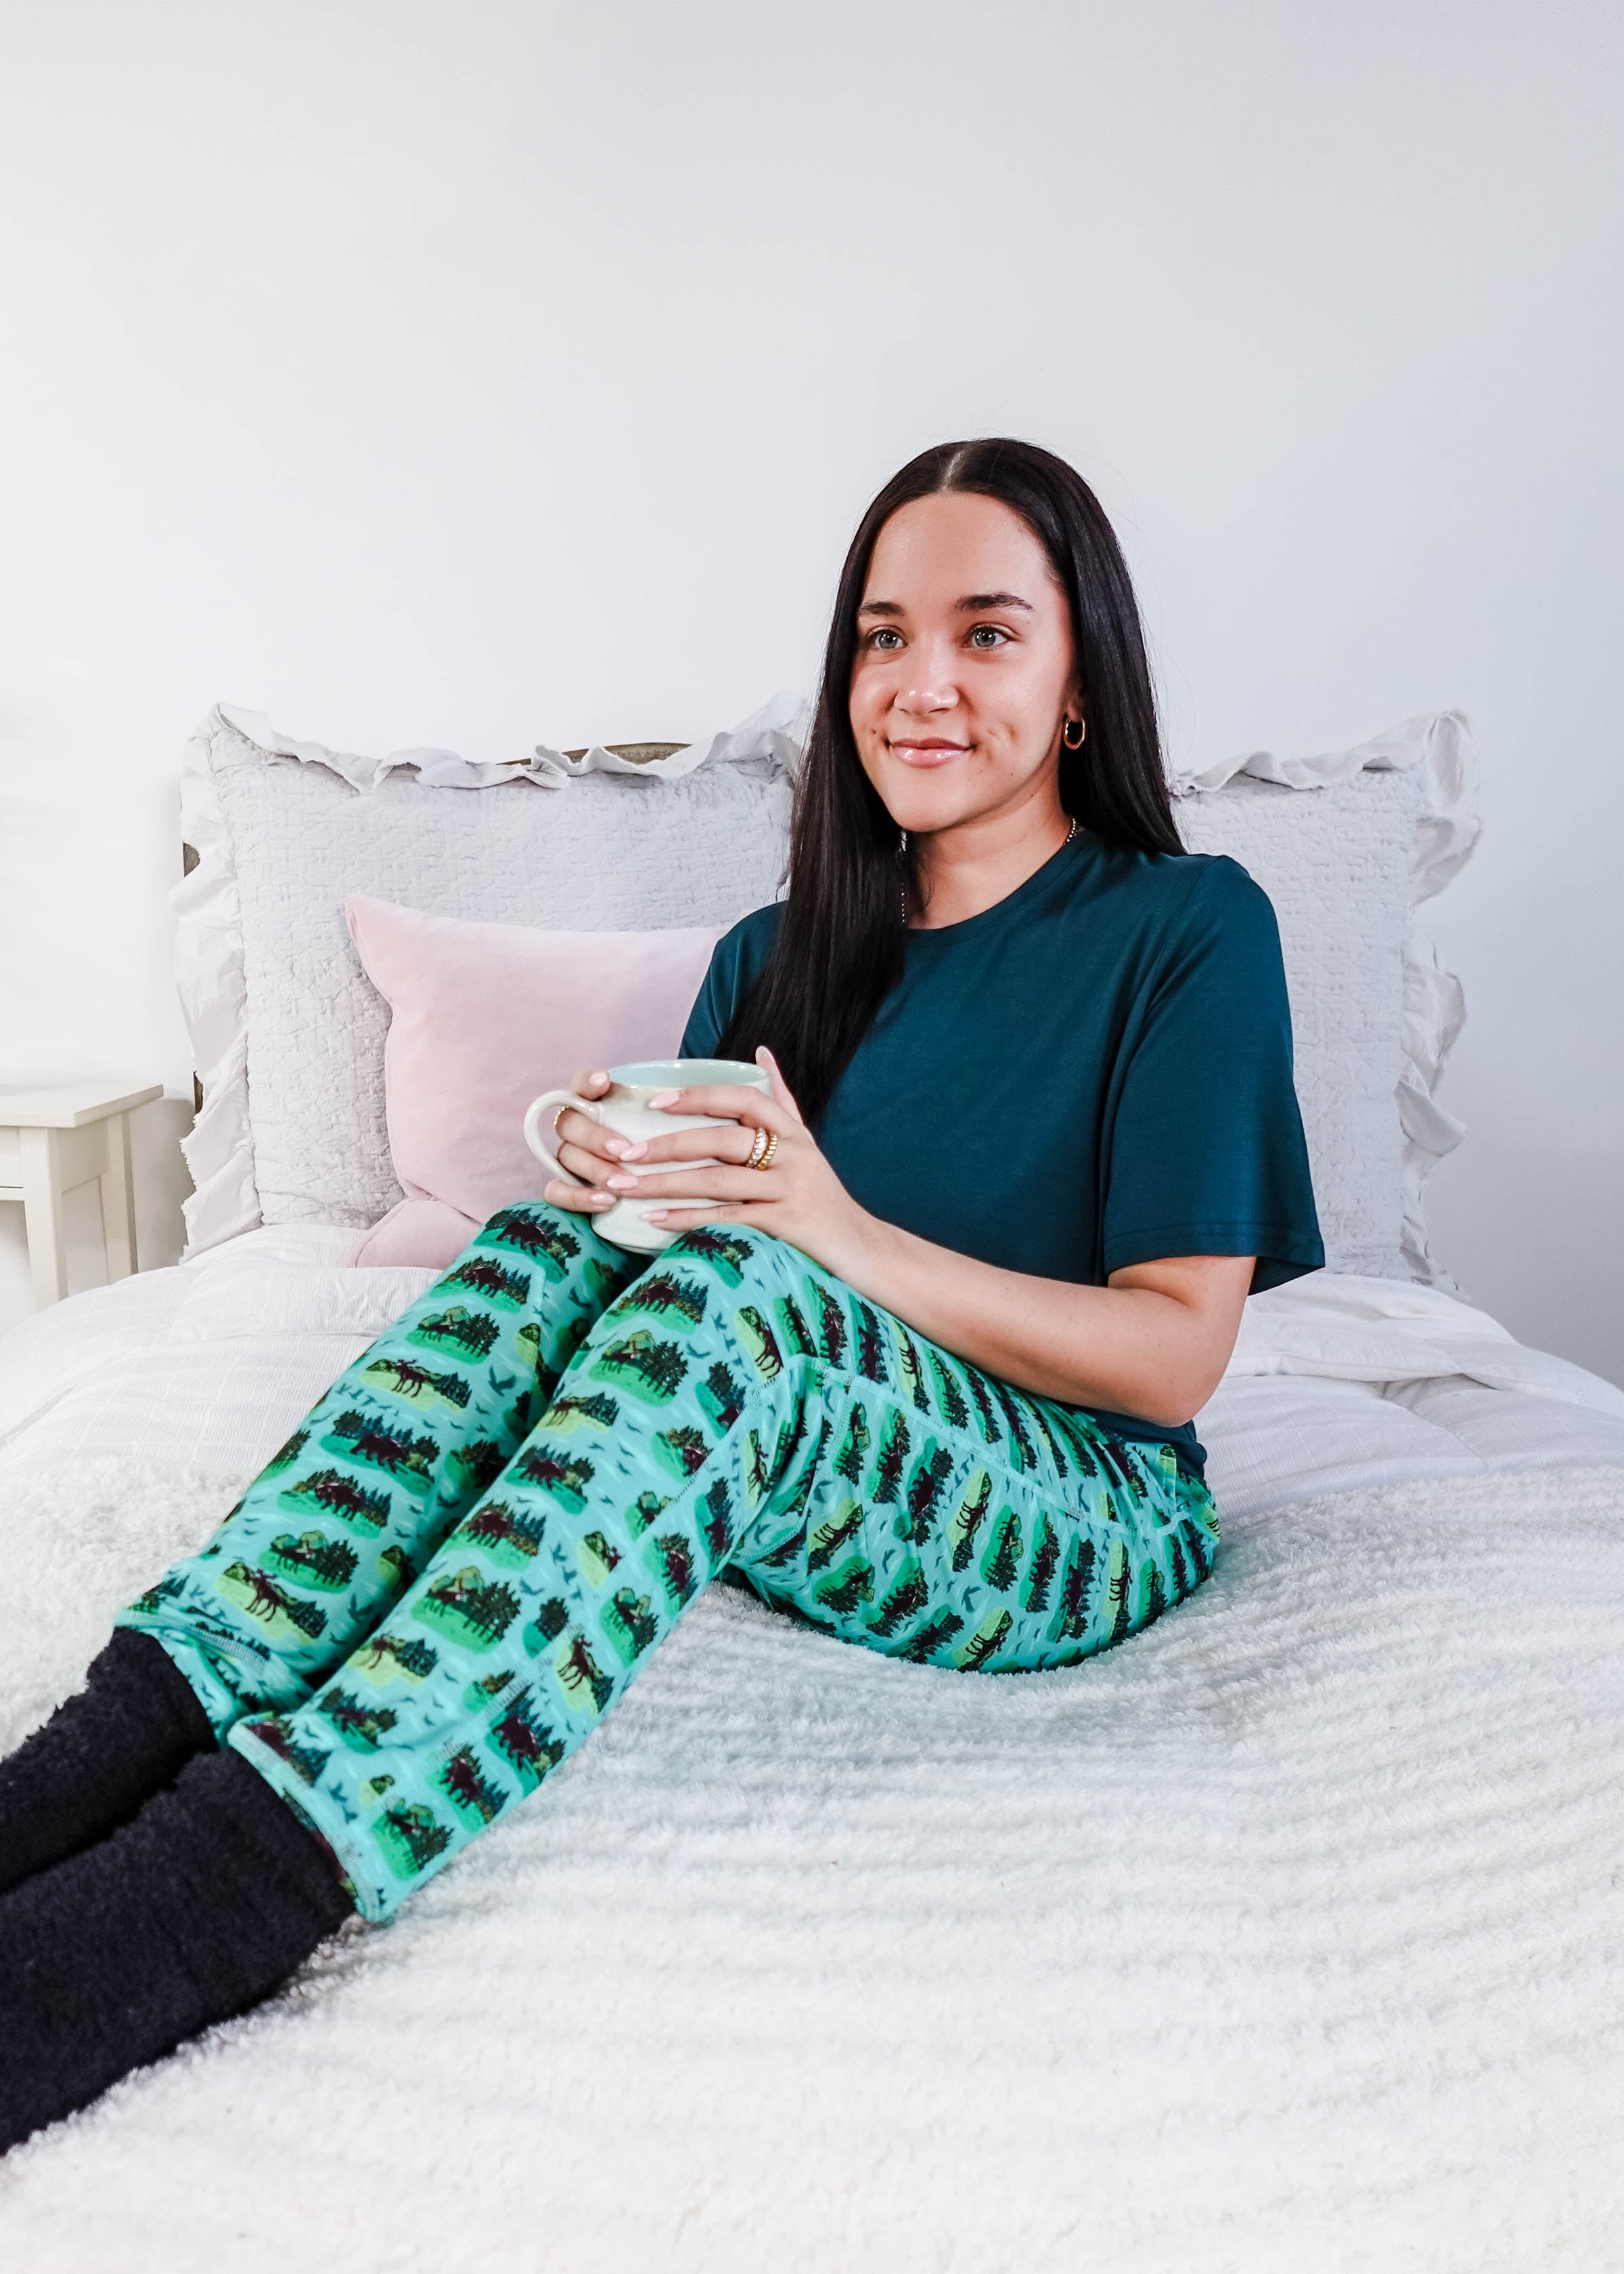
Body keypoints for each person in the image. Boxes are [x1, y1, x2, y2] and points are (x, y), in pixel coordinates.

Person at [0, 437, 1323, 2150]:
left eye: (988, 634)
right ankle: (91, 1766)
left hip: (1079, 1499)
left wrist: (827, 1230)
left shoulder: (1190, 928)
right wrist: (606, 1194)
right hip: (811, 1444)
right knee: (541, 1249)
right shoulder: (774, 960)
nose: (921, 684)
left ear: (1080, 683)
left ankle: (205, 1896)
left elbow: (1171, 1359)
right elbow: (675, 1277)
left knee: (737, 1305)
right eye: (882, 637)